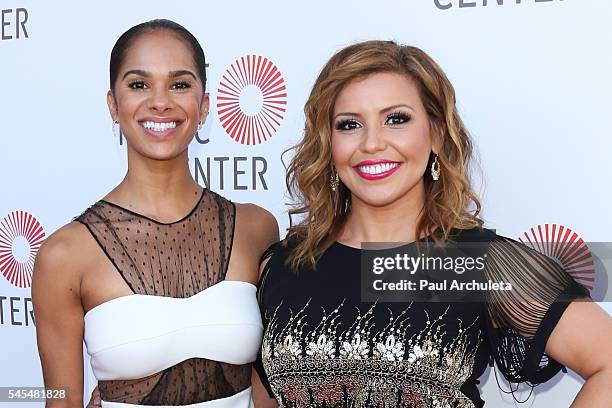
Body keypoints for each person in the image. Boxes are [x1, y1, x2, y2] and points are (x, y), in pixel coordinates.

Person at [252, 40, 612, 407]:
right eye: (349, 125)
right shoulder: (284, 264)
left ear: (436, 133)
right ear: (329, 145)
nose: (372, 143)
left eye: (396, 119)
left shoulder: (473, 262)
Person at [32, 19, 278, 408]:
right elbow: (60, 401)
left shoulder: (257, 228)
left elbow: (268, 384)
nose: (160, 101)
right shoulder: (65, 254)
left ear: (205, 106)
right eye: (138, 84)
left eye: (179, 84)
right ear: (113, 105)